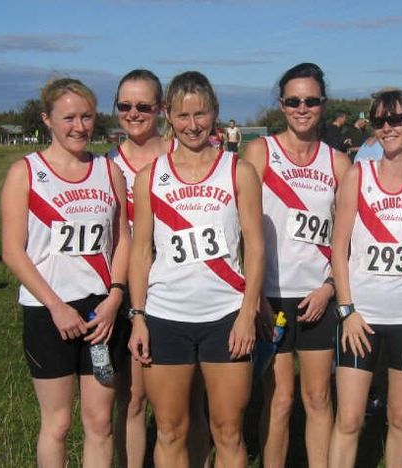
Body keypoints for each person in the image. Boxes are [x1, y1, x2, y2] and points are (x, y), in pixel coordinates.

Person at [128, 71, 264, 467]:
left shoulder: (238, 171)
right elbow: (140, 253)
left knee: (228, 431)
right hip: (166, 317)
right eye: (183, 116)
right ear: (168, 115)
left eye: (200, 114)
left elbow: (255, 247)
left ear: (215, 113)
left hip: (225, 316)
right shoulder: (149, 177)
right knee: (171, 430)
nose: (192, 125)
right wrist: (138, 316)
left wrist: (247, 312)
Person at [1, 78, 130, 466]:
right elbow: (11, 250)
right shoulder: (25, 172)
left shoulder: (109, 172)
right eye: (69, 117)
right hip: (49, 311)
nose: (79, 126)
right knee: (57, 425)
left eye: (87, 116)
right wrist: (56, 306)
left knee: (100, 423)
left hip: (100, 313)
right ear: (47, 120)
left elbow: (122, 239)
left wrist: (116, 297)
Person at [328, 89, 402, 467]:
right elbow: (339, 246)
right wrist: (347, 310)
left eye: (396, 120)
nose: (387, 128)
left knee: (399, 417)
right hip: (359, 317)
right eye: (379, 121)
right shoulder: (357, 176)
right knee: (348, 419)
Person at [243, 62, 351, 468]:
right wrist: (252, 295)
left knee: (319, 397)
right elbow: (240, 227)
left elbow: (348, 238)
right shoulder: (259, 152)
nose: (301, 108)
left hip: (317, 296)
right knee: (281, 398)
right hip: (271, 295)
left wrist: (329, 289)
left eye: (310, 100)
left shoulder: (338, 163)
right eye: (293, 101)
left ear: (323, 104)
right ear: (281, 105)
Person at [107, 69, 211, 468]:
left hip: (184, 287)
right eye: (125, 106)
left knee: (192, 398)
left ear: (162, 109)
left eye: (144, 106)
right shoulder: (107, 163)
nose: (133, 114)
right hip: (129, 289)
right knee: (132, 398)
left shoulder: (185, 151)